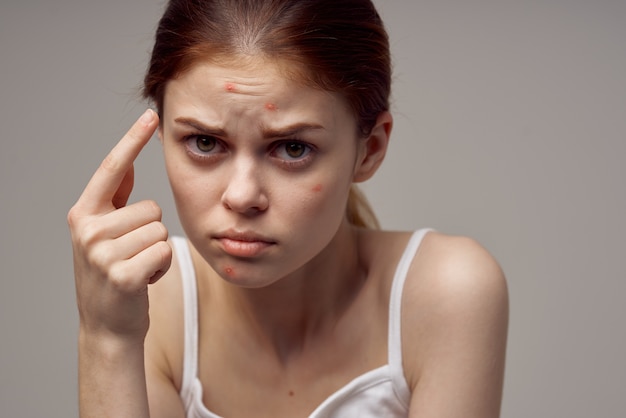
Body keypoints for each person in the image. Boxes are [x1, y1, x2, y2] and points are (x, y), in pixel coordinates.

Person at [67, 0, 509, 417]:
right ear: (161, 135)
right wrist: (107, 338)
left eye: (293, 148)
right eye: (205, 142)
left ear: (369, 150)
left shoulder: (445, 292)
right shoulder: (152, 302)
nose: (241, 197)